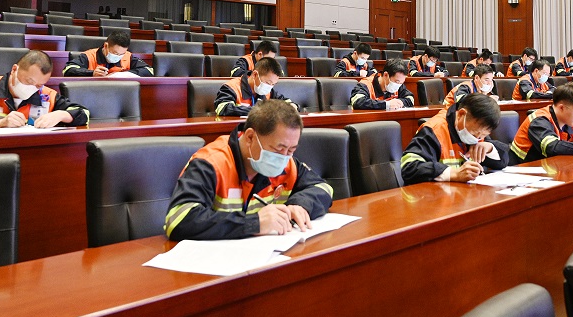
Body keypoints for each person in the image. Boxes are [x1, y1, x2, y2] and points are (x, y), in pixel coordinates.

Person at [164, 99, 333, 240]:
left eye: (291, 150)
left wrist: (300, 204)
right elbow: (179, 219)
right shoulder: (211, 162)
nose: (284, 157)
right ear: (250, 137)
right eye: (278, 149)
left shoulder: (288, 165)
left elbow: (323, 187)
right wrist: (254, 223)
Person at [0, 50, 88, 130]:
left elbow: (84, 114)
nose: (33, 88)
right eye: (29, 81)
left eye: (39, 85)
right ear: (14, 69)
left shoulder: (47, 95)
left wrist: (61, 115)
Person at [401, 94, 510, 184]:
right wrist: (453, 174)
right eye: (474, 134)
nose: (476, 139)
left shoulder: (478, 129)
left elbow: (504, 160)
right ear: (461, 114)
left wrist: (490, 149)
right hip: (433, 198)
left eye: (481, 136)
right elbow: (409, 167)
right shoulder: (435, 129)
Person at [509, 83, 573, 164]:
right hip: (525, 170)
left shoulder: (572, 122)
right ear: (561, 107)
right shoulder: (539, 121)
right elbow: (552, 147)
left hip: (553, 167)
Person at [215, 57, 296, 117]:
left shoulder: (268, 91)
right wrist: (260, 111)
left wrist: (292, 106)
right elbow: (222, 108)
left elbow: (287, 102)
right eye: (268, 82)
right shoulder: (231, 87)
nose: (270, 87)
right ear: (255, 75)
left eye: (273, 84)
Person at [62, 30, 153, 77]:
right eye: (115, 53)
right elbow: (67, 70)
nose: (118, 56)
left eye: (121, 54)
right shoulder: (89, 56)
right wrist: (91, 73)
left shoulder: (128, 56)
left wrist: (123, 74)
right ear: (106, 46)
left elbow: (149, 70)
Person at [350, 59, 415, 111]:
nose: (398, 85)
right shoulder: (366, 84)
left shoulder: (399, 84)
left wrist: (400, 102)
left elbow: (410, 98)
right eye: (396, 82)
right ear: (386, 75)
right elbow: (357, 102)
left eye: (401, 83)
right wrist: (387, 104)